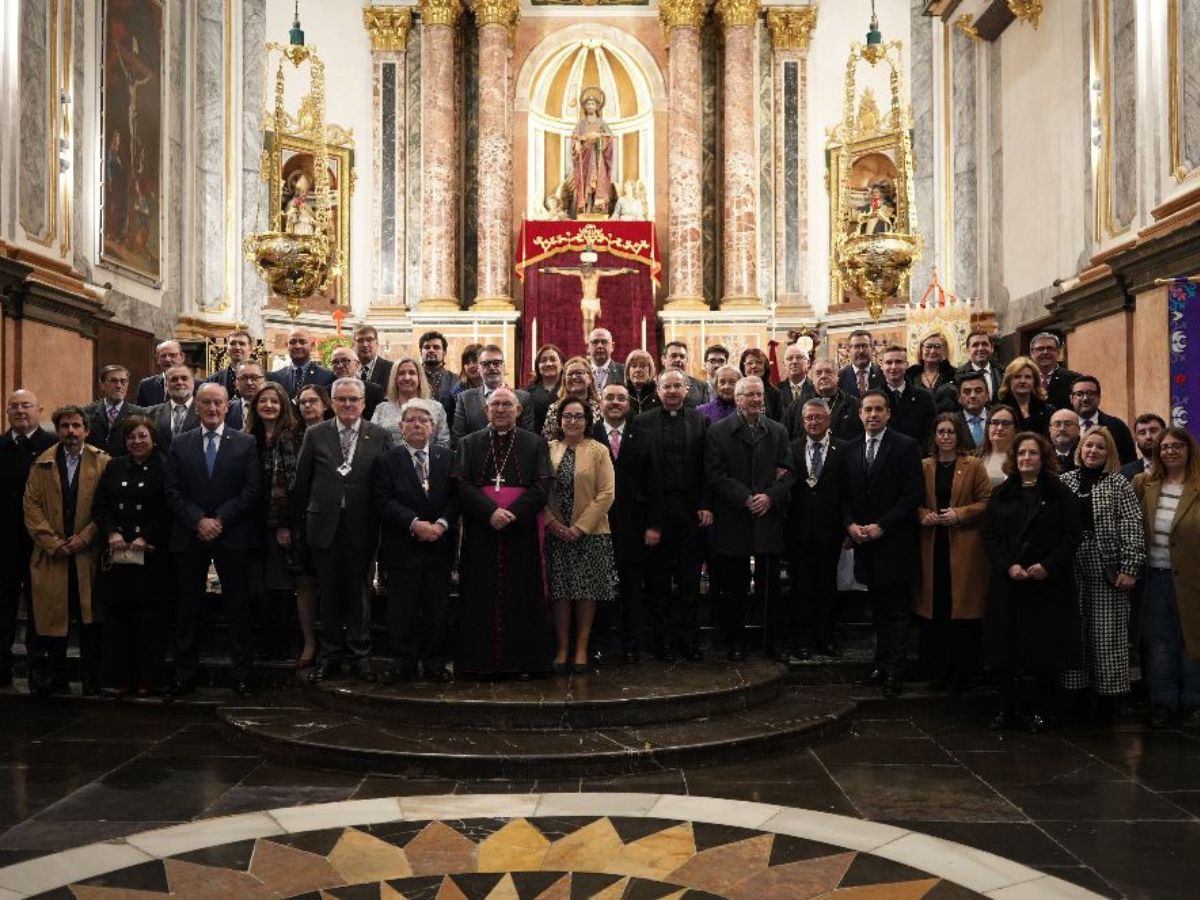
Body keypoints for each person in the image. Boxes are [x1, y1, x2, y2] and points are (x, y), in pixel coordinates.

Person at [292, 378, 393, 683]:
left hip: (362, 526)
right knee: (330, 595)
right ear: (332, 402)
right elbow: (301, 484)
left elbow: (385, 484)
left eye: (354, 399)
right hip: (323, 526)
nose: (348, 404)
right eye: (342, 399)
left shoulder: (379, 436)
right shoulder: (315, 434)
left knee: (359, 594)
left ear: (364, 403)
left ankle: (361, 656)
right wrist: (297, 527)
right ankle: (330, 655)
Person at [163, 384, 261, 698]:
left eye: (218, 402)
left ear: (227, 407)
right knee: (187, 608)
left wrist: (220, 519)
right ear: (197, 407)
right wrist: (198, 520)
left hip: (232, 535)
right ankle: (184, 674)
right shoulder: (180, 443)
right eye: (205, 402)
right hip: (190, 536)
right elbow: (172, 490)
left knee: (238, 608)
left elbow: (251, 489)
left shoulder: (246, 443)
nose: (212, 408)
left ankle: (242, 674)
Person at [983, 432, 1082, 732]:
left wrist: (1047, 566)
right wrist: (1009, 565)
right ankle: (1006, 709)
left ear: (1044, 458)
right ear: (1014, 459)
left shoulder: (1059, 493)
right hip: (1009, 582)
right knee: (1005, 650)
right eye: (1022, 453)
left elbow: (1071, 536)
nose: (1027, 459)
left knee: (1044, 650)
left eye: (1033, 453)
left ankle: (1041, 710)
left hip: (1046, 584)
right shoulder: (1001, 493)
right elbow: (989, 537)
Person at [454, 388, 555, 675]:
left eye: (507, 405)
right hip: (481, 529)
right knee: (479, 596)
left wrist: (513, 514)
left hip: (520, 529)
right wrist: (490, 512)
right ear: (486, 410)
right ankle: (479, 664)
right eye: (495, 404)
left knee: (521, 595)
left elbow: (543, 484)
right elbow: (461, 483)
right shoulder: (469, 442)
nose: (500, 409)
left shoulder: (535, 443)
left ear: (518, 411)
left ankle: (522, 662)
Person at [1060, 426, 1146, 723]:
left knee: (1106, 633)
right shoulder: (1064, 482)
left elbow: (1133, 526)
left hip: (1106, 564)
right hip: (1070, 563)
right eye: (1088, 446)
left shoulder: (1119, 484)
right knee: (1075, 630)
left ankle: (1108, 700)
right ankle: (1076, 696)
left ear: (1108, 453)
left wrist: (1130, 568)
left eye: (1099, 447)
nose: (1092, 451)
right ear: (1079, 450)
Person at [706, 376, 795, 660]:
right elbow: (716, 474)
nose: (757, 400)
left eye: (760, 395)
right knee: (735, 586)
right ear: (737, 398)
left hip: (768, 518)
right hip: (735, 519)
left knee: (770, 587)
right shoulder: (718, 432)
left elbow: (789, 470)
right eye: (750, 395)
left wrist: (770, 496)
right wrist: (746, 498)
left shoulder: (778, 431)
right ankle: (735, 642)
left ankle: (772, 641)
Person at [23, 406, 110, 696]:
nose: (71, 432)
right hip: (54, 556)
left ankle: (91, 678)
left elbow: (107, 506)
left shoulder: (103, 463)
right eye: (65, 426)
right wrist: (53, 542)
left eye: (76, 426)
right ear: (57, 431)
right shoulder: (41, 464)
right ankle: (56, 675)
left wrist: (85, 538)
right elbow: (32, 508)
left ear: (86, 430)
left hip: (87, 555)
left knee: (89, 619)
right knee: (54, 619)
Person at [843, 391, 924, 697]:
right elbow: (845, 495)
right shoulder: (850, 448)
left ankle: (895, 670)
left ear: (888, 413)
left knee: (898, 611)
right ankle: (879, 665)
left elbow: (912, 495)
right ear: (860, 414)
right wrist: (850, 525)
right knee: (877, 609)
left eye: (879, 409)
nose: (873, 415)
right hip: (864, 541)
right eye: (868, 410)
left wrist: (883, 526)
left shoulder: (905, 446)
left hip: (895, 541)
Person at [373, 398, 459, 683]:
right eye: (411, 419)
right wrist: (415, 524)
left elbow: (455, 497)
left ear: (433, 427)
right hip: (403, 546)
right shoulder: (387, 460)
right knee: (402, 608)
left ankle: (435, 661)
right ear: (400, 426)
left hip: (439, 544)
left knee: (437, 607)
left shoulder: (446, 457)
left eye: (423, 419)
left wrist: (442, 524)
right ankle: (404, 662)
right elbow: (383, 500)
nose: (417, 424)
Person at [636, 369, 712, 661]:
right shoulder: (642, 423)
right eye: (666, 386)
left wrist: (706, 504)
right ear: (657, 389)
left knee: (690, 581)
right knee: (659, 583)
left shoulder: (701, 421)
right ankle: (663, 642)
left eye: (677, 386)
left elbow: (708, 467)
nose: (671, 391)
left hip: (691, 512)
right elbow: (639, 477)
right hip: (658, 513)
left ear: (687, 389)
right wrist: (650, 523)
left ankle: (689, 640)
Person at [92, 415, 170, 696]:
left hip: (151, 555)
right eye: (131, 437)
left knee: (149, 622)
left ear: (153, 438)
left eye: (142, 436)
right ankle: (117, 677)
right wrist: (111, 533)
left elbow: (168, 507)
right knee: (118, 620)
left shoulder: (166, 467)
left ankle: (148, 679)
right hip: (118, 554)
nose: (137, 442)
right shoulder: (114, 466)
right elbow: (100, 505)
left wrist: (145, 536)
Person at [915, 413, 993, 692]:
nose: (945, 436)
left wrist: (960, 514)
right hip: (932, 544)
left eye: (950, 432)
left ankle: (963, 671)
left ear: (958, 435)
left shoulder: (972, 465)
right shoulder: (923, 466)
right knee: (934, 606)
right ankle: (936, 669)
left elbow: (987, 501)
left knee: (961, 608)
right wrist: (923, 514)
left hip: (964, 546)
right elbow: (913, 500)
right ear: (934, 436)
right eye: (940, 432)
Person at [1133, 427, 1200, 728]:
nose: (1170, 451)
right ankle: (1163, 703)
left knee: (1192, 641)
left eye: (1177, 446)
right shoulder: (1143, 484)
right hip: (1155, 576)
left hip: (1193, 577)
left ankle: (1192, 703)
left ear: (1189, 450)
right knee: (1159, 643)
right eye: (1165, 447)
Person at [546, 397, 617, 672]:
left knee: (586, 591)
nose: (572, 421)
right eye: (567, 416)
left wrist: (580, 527)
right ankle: (562, 648)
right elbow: (539, 490)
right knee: (561, 592)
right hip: (556, 533)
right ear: (559, 420)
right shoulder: (548, 449)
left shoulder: (598, 450)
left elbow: (607, 493)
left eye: (578, 416)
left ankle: (581, 649)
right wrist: (553, 523)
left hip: (591, 533)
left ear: (587, 421)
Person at [593, 383, 663, 663]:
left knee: (632, 587)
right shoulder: (590, 434)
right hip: (596, 525)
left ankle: (632, 643)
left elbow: (655, 483)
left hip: (635, 526)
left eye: (621, 398)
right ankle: (599, 641)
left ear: (629, 403)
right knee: (599, 587)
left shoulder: (644, 436)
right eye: (609, 397)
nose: (615, 402)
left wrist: (654, 525)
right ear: (600, 402)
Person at [243, 381, 303, 663]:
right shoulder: (246, 437)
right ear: (255, 406)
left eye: (274, 402)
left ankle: (280, 645)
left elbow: (292, 484)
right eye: (263, 401)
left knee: (280, 584)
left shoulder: (292, 436)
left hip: (280, 522)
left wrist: (283, 523)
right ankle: (262, 642)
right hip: (250, 521)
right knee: (257, 585)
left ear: (283, 406)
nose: (269, 406)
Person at [0, 390, 55, 685]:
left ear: (39, 409)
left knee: (40, 607)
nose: (20, 411)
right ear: (7, 412)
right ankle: (2, 667)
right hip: (5, 543)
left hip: (41, 542)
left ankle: (38, 666)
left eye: (26, 405)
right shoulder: (1, 445)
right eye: (14, 406)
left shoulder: (53, 446)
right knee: (3, 607)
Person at [787, 399, 848, 659]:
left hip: (830, 531)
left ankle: (826, 637)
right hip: (798, 532)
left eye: (818, 418)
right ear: (802, 421)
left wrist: (846, 526)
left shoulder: (843, 450)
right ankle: (802, 639)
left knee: (827, 586)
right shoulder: (791, 448)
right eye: (809, 418)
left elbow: (848, 492)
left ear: (828, 420)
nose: (813, 422)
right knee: (800, 587)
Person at [292, 383, 333, 666]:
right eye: (302, 402)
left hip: (334, 519)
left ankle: (334, 643)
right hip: (301, 518)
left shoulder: (335, 433)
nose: (307, 406)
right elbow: (285, 483)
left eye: (313, 401)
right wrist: (285, 524)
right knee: (304, 582)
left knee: (333, 584)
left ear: (325, 404)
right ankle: (309, 642)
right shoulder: (290, 436)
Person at [451, 344, 533, 446]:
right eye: (486, 364)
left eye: (496, 363)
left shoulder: (523, 398)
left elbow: (528, 438)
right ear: (479, 369)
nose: (491, 367)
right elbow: (458, 438)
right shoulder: (465, 398)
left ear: (504, 367)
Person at [373, 355, 451, 449]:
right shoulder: (381, 409)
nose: (407, 377)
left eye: (412, 373)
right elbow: (373, 441)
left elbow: (444, 442)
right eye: (401, 373)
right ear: (394, 378)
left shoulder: (436, 408)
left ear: (420, 378)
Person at [782, 359, 863, 442]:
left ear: (837, 377)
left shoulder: (854, 404)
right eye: (818, 373)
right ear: (812, 379)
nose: (823, 376)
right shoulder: (797, 406)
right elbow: (785, 436)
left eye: (828, 372)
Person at [1069, 375, 1136, 466]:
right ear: (1071, 399)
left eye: (1090, 393)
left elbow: (1129, 463)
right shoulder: (1063, 427)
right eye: (1079, 394)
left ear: (1099, 397)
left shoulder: (1117, 427)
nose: (1085, 398)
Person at [570, 88, 615, 216]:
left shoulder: (601, 122)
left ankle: (598, 206)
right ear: (585, 107)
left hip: (598, 154)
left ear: (597, 107)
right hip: (585, 156)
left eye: (593, 104)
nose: (590, 106)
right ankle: (586, 205)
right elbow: (574, 137)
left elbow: (610, 137)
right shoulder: (581, 123)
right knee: (586, 181)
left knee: (598, 179)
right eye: (588, 104)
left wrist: (599, 135)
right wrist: (578, 141)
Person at [880, 344, 936, 445]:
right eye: (889, 362)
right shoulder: (874, 398)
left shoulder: (924, 397)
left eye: (898, 362)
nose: (893, 367)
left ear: (906, 364)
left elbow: (930, 432)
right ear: (882, 366)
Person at [85, 365, 145, 456]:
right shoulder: (87, 413)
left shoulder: (140, 413)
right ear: (102, 385)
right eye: (113, 381)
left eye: (123, 381)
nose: (119, 386)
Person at [266, 327, 335, 401]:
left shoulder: (327, 377)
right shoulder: (274, 378)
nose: (297, 346)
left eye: (302, 342)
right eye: (292, 342)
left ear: (312, 346)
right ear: (287, 346)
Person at [542, 356, 603, 440]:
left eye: (578, 373)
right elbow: (547, 440)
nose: (574, 377)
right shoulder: (554, 408)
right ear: (564, 382)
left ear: (589, 378)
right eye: (570, 374)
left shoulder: (601, 407)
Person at [145, 365, 201, 451]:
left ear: (193, 382)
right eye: (174, 379)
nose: (179, 382)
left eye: (184, 378)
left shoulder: (206, 411)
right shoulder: (151, 413)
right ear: (166, 385)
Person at [996, 356, 1051, 436]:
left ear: (1034, 381)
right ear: (1009, 380)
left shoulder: (1047, 410)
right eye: (1017, 377)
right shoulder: (998, 410)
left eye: (1028, 377)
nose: (1022, 381)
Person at [330, 346, 385, 421]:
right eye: (335, 362)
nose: (340, 365)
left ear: (358, 364)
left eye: (345, 361)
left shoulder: (374, 391)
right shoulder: (326, 392)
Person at [1029, 331, 1080, 411]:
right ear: (1032, 353)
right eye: (1040, 349)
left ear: (1058, 352)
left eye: (1050, 348)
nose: (1045, 352)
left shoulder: (1074, 380)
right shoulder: (1023, 380)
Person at [525, 343, 564, 435]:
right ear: (537, 366)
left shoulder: (570, 390)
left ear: (562, 364)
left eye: (553, 359)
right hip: (536, 442)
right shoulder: (527, 393)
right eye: (543, 360)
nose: (548, 363)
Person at [419, 330, 459, 419]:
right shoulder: (413, 379)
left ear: (444, 352)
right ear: (421, 352)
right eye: (427, 347)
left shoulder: (456, 380)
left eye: (436, 347)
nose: (431, 350)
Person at [977, 405, 1019, 487]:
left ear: (1015, 429)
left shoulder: (1022, 457)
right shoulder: (976, 456)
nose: (999, 428)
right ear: (988, 427)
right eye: (995, 423)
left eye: (1005, 423)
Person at [136, 339, 185, 406]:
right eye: (163, 356)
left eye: (172, 355)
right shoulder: (146, 386)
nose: (167, 359)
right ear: (158, 360)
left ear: (182, 357)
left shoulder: (198, 386)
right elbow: (140, 414)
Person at [739, 348, 783, 421]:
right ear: (743, 368)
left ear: (765, 367)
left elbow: (778, 421)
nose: (754, 366)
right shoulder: (736, 390)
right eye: (749, 363)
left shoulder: (775, 393)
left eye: (759, 362)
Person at [661, 341, 711, 407]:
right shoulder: (653, 386)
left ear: (687, 361)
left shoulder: (701, 387)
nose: (678, 359)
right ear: (663, 360)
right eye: (673, 356)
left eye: (682, 357)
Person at [207, 329, 254, 398]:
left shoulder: (263, 378)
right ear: (227, 348)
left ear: (250, 349)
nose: (237, 347)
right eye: (232, 343)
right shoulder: (213, 380)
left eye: (242, 344)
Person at [838, 329, 883, 398]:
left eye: (865, 346)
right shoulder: (840, 377)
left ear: (872, 349)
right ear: (848, 350)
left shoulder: (882, 373)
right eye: (856, 346)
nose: (861, 351)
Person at [225, 360, 266, 432]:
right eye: (243, 378)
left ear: (264, 380)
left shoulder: (273, 409)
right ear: (236, 383)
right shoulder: (227, 411)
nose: (249, 383)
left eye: (254, 377)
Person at [953, 371, 990, 449]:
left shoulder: (996, 419)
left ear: (987, 395)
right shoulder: (952, 422)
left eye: (978, 391)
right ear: (959, 397)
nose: (973, 395)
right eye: (967, 392)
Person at [1123, 413, 1165, 480]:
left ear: (1165, 434)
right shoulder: (1124, 473)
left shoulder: (1178, 467)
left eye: (1153, 431)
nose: (1148, 437)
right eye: (1142, 433)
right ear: (1136, 438)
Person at [352, 324, 393, 391]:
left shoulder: (391, 369)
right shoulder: (347, 368)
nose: (365, 345)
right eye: (360, 340)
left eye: (369, 340)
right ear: (353, 344)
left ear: (377, 343)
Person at [777, 343, 813, 412]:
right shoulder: (776, 391)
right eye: (790, 358)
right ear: (784, 364)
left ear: (808, 363)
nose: (794, 361)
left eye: (799, 357)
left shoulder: (816, 389)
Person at [624, 349, 660, 416]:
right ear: (628, 370)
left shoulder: (659, 395)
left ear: (650, 370)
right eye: (634, 366)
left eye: (643, 366)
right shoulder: (622, 395)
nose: (638, 370)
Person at [1049, 408, 1081, 473]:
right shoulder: (1042, 454)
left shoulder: (1086, 454)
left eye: (1068, 424)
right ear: (1049, 429)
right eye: (1057, 424)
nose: (1062, 429)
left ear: (1078, 429)